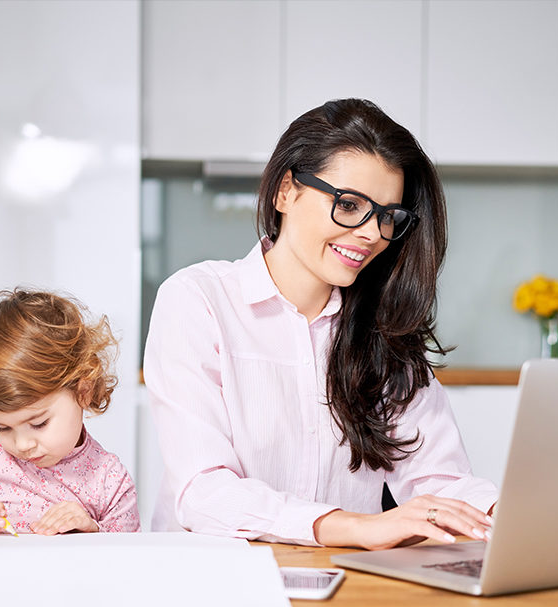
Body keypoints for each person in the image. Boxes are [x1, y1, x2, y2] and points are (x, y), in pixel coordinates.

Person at [144, 98, 497, 549]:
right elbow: (204, 493)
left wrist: (500, 513)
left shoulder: (385, 332)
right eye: (349, 205)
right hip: (213, 583)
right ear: (285, 191)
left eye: (388, 216)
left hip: (342, 587)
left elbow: (440, 481)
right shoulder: (198, 300)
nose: (372, 234)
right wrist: (355, 527)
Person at [0, 289, 139, 535]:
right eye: (2, 427)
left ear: (83, 391)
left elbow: (129, 555)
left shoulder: (108, 479)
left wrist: (92, 530)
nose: (22, 444)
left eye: (39, 423)